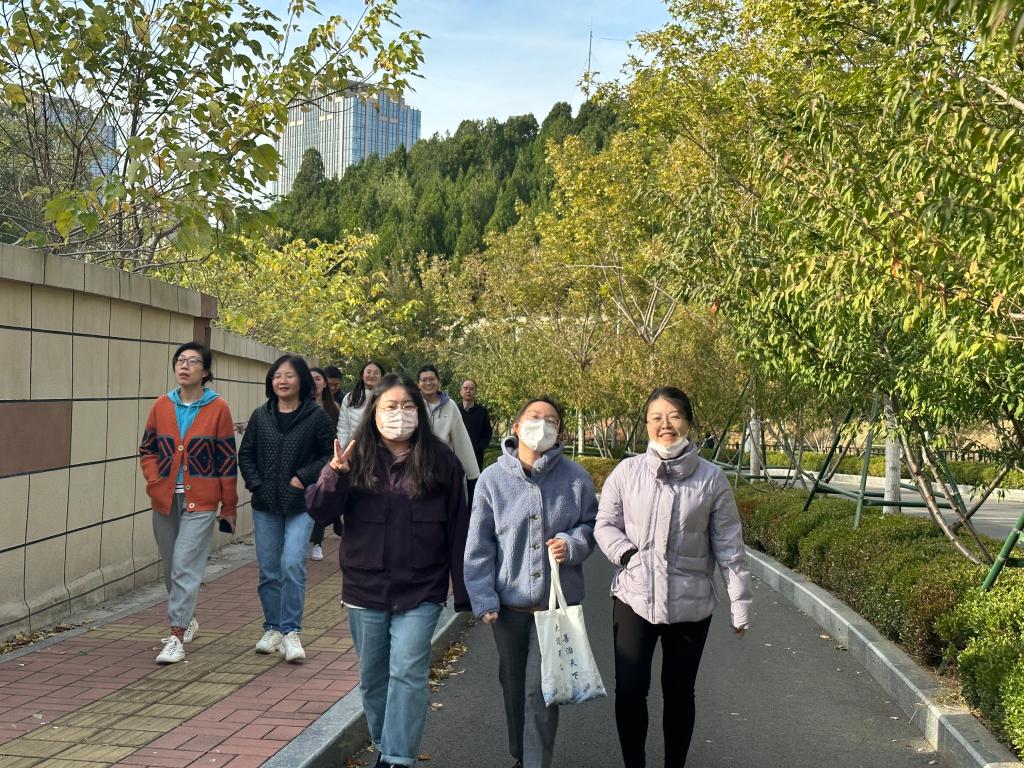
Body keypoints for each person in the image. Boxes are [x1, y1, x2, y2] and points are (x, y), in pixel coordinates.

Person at [305, 373, 471, 768]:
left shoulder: (441, 461)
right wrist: (334, 474)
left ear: (420, 412)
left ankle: (397, 758)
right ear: (374, 412)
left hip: (422, 587)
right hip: (366, 587)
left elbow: (459, 529)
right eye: (391, 407)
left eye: (408, 406)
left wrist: (465, 591)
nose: (400, 414)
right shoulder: (354, 456)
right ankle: (386, 743)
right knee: (374, 678)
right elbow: (319, 511)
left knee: (408, 672)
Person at [595, 386, 752, 768]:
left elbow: (729, 544)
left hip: (691, 603)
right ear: (646, 424)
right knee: (630, 689)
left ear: (689, 423)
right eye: (656, 418)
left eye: (674, 416)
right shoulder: (627, 472)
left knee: (680, 693)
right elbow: (605, 524)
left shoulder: (712, 479)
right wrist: (628, 556)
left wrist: (739, 602)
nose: (665, 425)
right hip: (634, 597)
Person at [464, 396, 597, 768]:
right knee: (512, 683)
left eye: (551, 420)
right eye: (535, 417)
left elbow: (591, 526)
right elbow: (479, 544)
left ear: (560, 432)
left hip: (556, 606)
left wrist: (572, 543)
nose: (543, 424)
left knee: (543, 689)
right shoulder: (492, 480)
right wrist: (483, 596)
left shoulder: (576, 479)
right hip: (510, 606)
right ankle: (521, 754)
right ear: (517, 426)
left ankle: (535, 762)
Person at [139, 342, 238, 664]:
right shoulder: (161, 406)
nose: (184, 366)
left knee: (184, 565)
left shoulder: (218, 408)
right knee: (171, 567)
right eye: (180, 360)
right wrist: (154, 480)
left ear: (205, 371)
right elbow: (147, 449)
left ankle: (176, 635)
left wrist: (229, 506)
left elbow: (227, 460)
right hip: (165, 499)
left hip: (202, 501)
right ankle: (188, 618)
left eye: (193, 362)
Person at [238, 354, 334, 662]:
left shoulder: (316, 416)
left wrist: (301, 478)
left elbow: (328, 455)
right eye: (277, 375)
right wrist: (257, 484)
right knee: (269, 569)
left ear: (302, 380)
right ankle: (273, 628)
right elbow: (246, 454)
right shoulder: (261, 415)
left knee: (292, 563)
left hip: (300, 503)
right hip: (265, 504)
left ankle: (292, 631)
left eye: (289, 375)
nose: (282, 380)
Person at [417, 365, 480, 486]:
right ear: (418, 384)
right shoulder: (412, 404)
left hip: (443, 468)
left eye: (432, 379)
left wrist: (473, 474)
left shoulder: (450, 405)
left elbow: (461, 440)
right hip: (417, 467)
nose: (428, 383)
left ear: (438, 381)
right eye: (423, 380)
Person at [308, 367, 341, 561]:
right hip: (304, 459)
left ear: (324, 383)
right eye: (310, 378)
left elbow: (339, 433)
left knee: (320, 497)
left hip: (325, 459)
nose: (314, 382)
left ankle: (317, 543)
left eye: (318, 378)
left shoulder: (333, 407)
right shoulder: (300, 404)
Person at [457, 378, 492, 506]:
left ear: (475, 392)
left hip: (475, 457)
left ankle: (472, 515)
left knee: (473, 488)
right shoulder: (454, 410)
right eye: (465, 388)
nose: (468, 391)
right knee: (456, 488)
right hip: (456, 457)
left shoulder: (482, 412)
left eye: (471, 389)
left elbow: (487, 434)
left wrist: (478, 448)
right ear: (461, 391)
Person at [337, 360, 384, 447]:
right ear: (362, 375)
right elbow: (343, 427)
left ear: (382, 377)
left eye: (376, 373)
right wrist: (343, 448)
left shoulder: (387, 397)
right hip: (354, 448)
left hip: (379, 448)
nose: (372, 375)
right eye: (368, 372)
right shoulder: (350, 397)